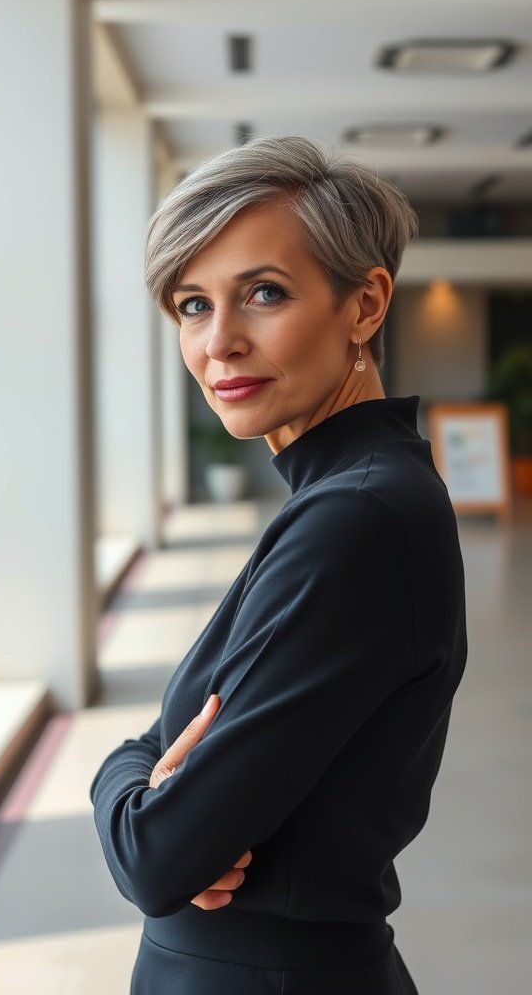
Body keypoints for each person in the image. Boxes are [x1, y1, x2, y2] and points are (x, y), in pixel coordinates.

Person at [91, 137, 467, 994]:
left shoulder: (357, 517)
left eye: (263, 293)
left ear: (365, 304)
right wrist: (137, 777)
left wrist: (121, 787)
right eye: (192, 304)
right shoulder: (349, 493)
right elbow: (160, 791)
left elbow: (158, 854)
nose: (219, 342)